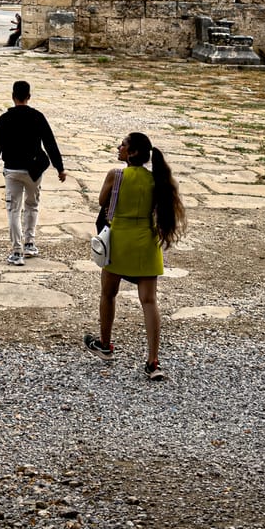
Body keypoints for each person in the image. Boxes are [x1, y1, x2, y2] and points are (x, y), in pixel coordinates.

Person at [86, 131, 184, 380]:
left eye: (123, 145)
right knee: (149, 301)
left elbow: (101, 200)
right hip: (147, 241)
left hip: (120, 239)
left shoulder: (116, 175)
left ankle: (105, 345)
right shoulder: (156, 179)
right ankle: (153, 361)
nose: (119, 147)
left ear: (132, 153)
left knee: (108, 293)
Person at [0, 79, 64, 265]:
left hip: (12, 168)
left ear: (12, 97)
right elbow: (50, 143)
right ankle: (30, 243)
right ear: (29, 97)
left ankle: (16, 252)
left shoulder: (4, 119)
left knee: (13, 209)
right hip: (33, 170)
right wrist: (60, 168)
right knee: (32, 205)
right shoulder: (38, 117)